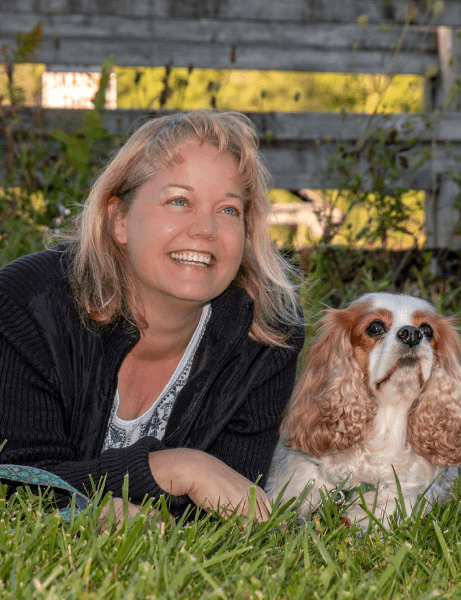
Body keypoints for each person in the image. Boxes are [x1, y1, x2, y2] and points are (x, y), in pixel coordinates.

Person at [0, 109, 304, 521]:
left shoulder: (267, 333)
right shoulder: (23, 306)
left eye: (229, 210)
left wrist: (117, 509)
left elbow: (232, 502)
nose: (206, 230)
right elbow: (20, 484)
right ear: (119, 219)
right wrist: (176, 469)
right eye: (179, 201)